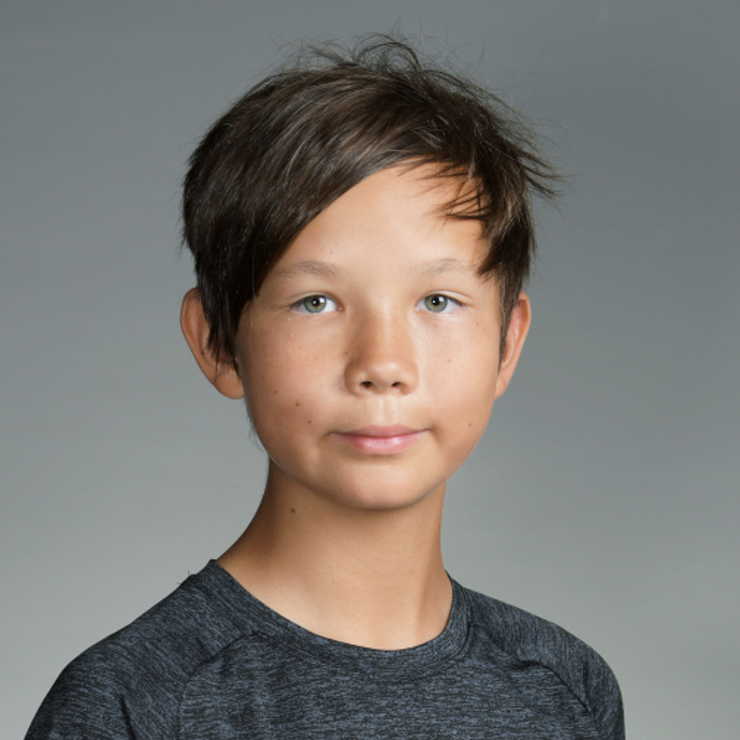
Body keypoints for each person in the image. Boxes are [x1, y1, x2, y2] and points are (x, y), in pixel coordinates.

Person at [25, 36, 624, 739]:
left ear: (507, 343)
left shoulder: (567, 690)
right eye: (316, 302)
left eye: (437, 301)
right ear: (218, 342)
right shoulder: (131, 703)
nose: (382, 363)